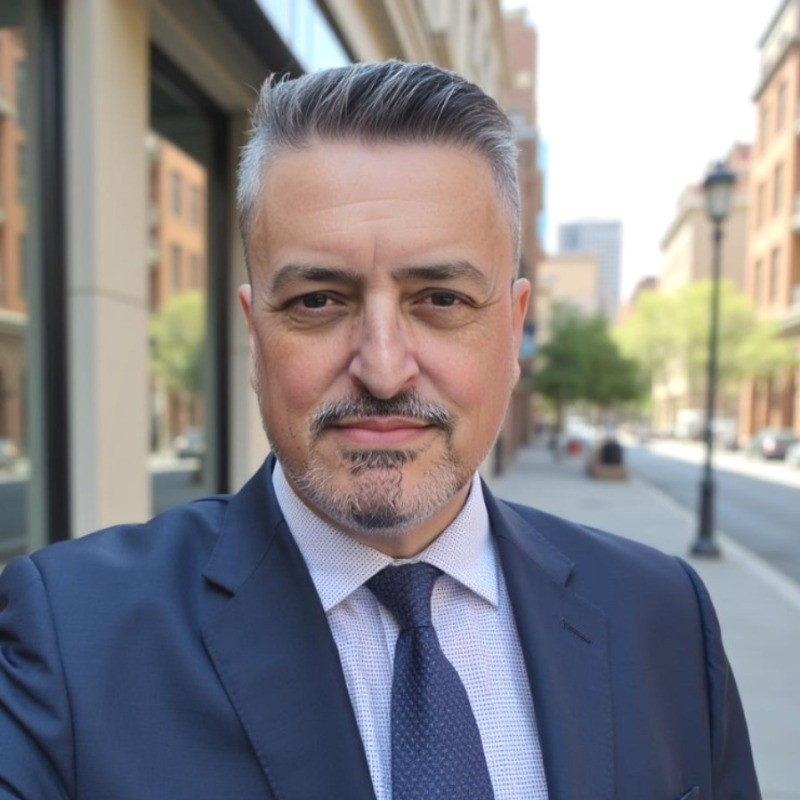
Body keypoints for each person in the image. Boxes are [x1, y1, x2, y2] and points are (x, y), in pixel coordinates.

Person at [0, 61, 760, 800]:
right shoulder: (71, 639)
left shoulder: (662, 617)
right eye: (317, 301)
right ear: (254, 336)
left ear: (514, 328)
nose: (385, 369)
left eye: (441, 299)